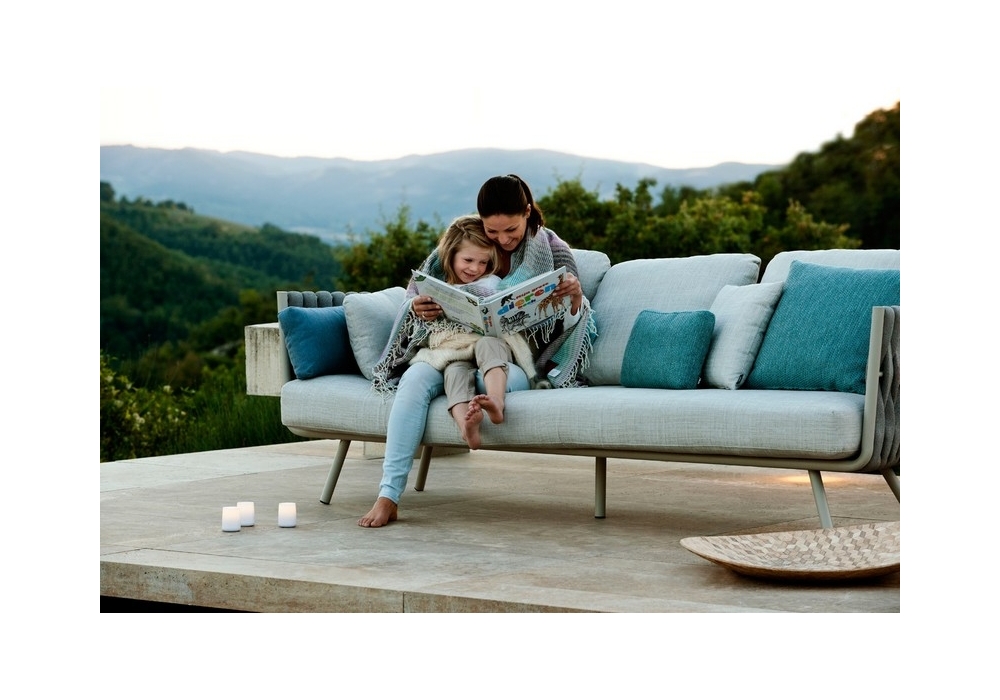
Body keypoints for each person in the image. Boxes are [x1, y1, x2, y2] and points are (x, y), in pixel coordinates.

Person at [358, 174, 596, 527]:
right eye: (492, 230)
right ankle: (388, 496)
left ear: (527, 212)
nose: (502, 239)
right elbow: (415, 294)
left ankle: (482, 410)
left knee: (485, 379)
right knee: (414, 380)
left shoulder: (553, 250)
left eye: (511, 230)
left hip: (512, 356)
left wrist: (574, 296)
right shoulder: (469, 238)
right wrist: (418, 308)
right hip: (448, 348)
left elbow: (570, 319)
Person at [409, 215, 541, 450]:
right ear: (451, 255)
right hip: (457, 348)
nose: (474, 268)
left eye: (483, 262)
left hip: (492, 344)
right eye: (468, 260)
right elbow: (419, 320)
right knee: (453, 372)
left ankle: (496, 401)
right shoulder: (441, 287)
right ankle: (466, 426)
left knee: (488, 344)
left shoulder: (492, 282)